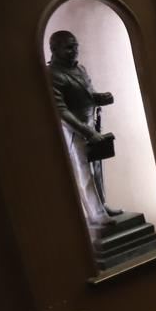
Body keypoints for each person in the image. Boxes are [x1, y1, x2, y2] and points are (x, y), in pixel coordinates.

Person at [47, 30, 119, 229]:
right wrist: (87, 132)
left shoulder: (80, 69)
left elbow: (87, 94)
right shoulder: (52, 74)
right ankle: (96, 214)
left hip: (90, 125)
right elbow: (60, 111)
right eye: (69, 47)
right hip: (73, 131)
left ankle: (102, 205)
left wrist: (100, 97)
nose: (74, 50)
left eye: (76, 46)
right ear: (54, 49)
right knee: (84, 172)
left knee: (96, 169)